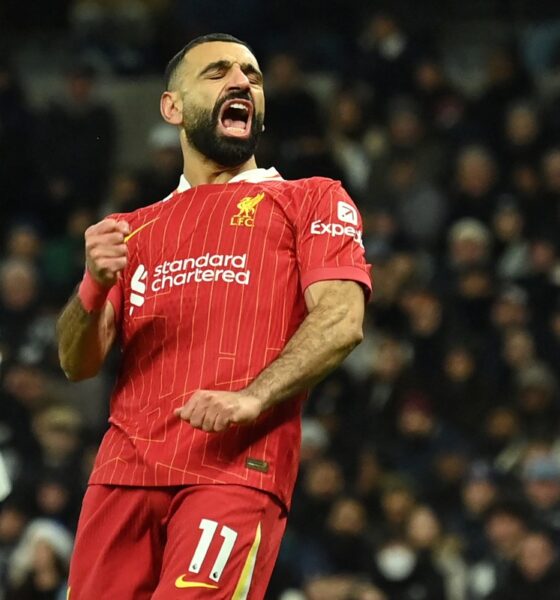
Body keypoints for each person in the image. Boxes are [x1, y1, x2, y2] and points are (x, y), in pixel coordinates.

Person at [56, 33, 371, 600]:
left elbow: (342, 320)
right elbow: (76, 363)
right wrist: (91, 287)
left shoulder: (312, 199)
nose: (241, 83)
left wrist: (254, 396)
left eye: (251, 75)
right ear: (172, 107)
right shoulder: (132, 229)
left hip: (233, 470)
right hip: (121, 475)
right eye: (218, 72)